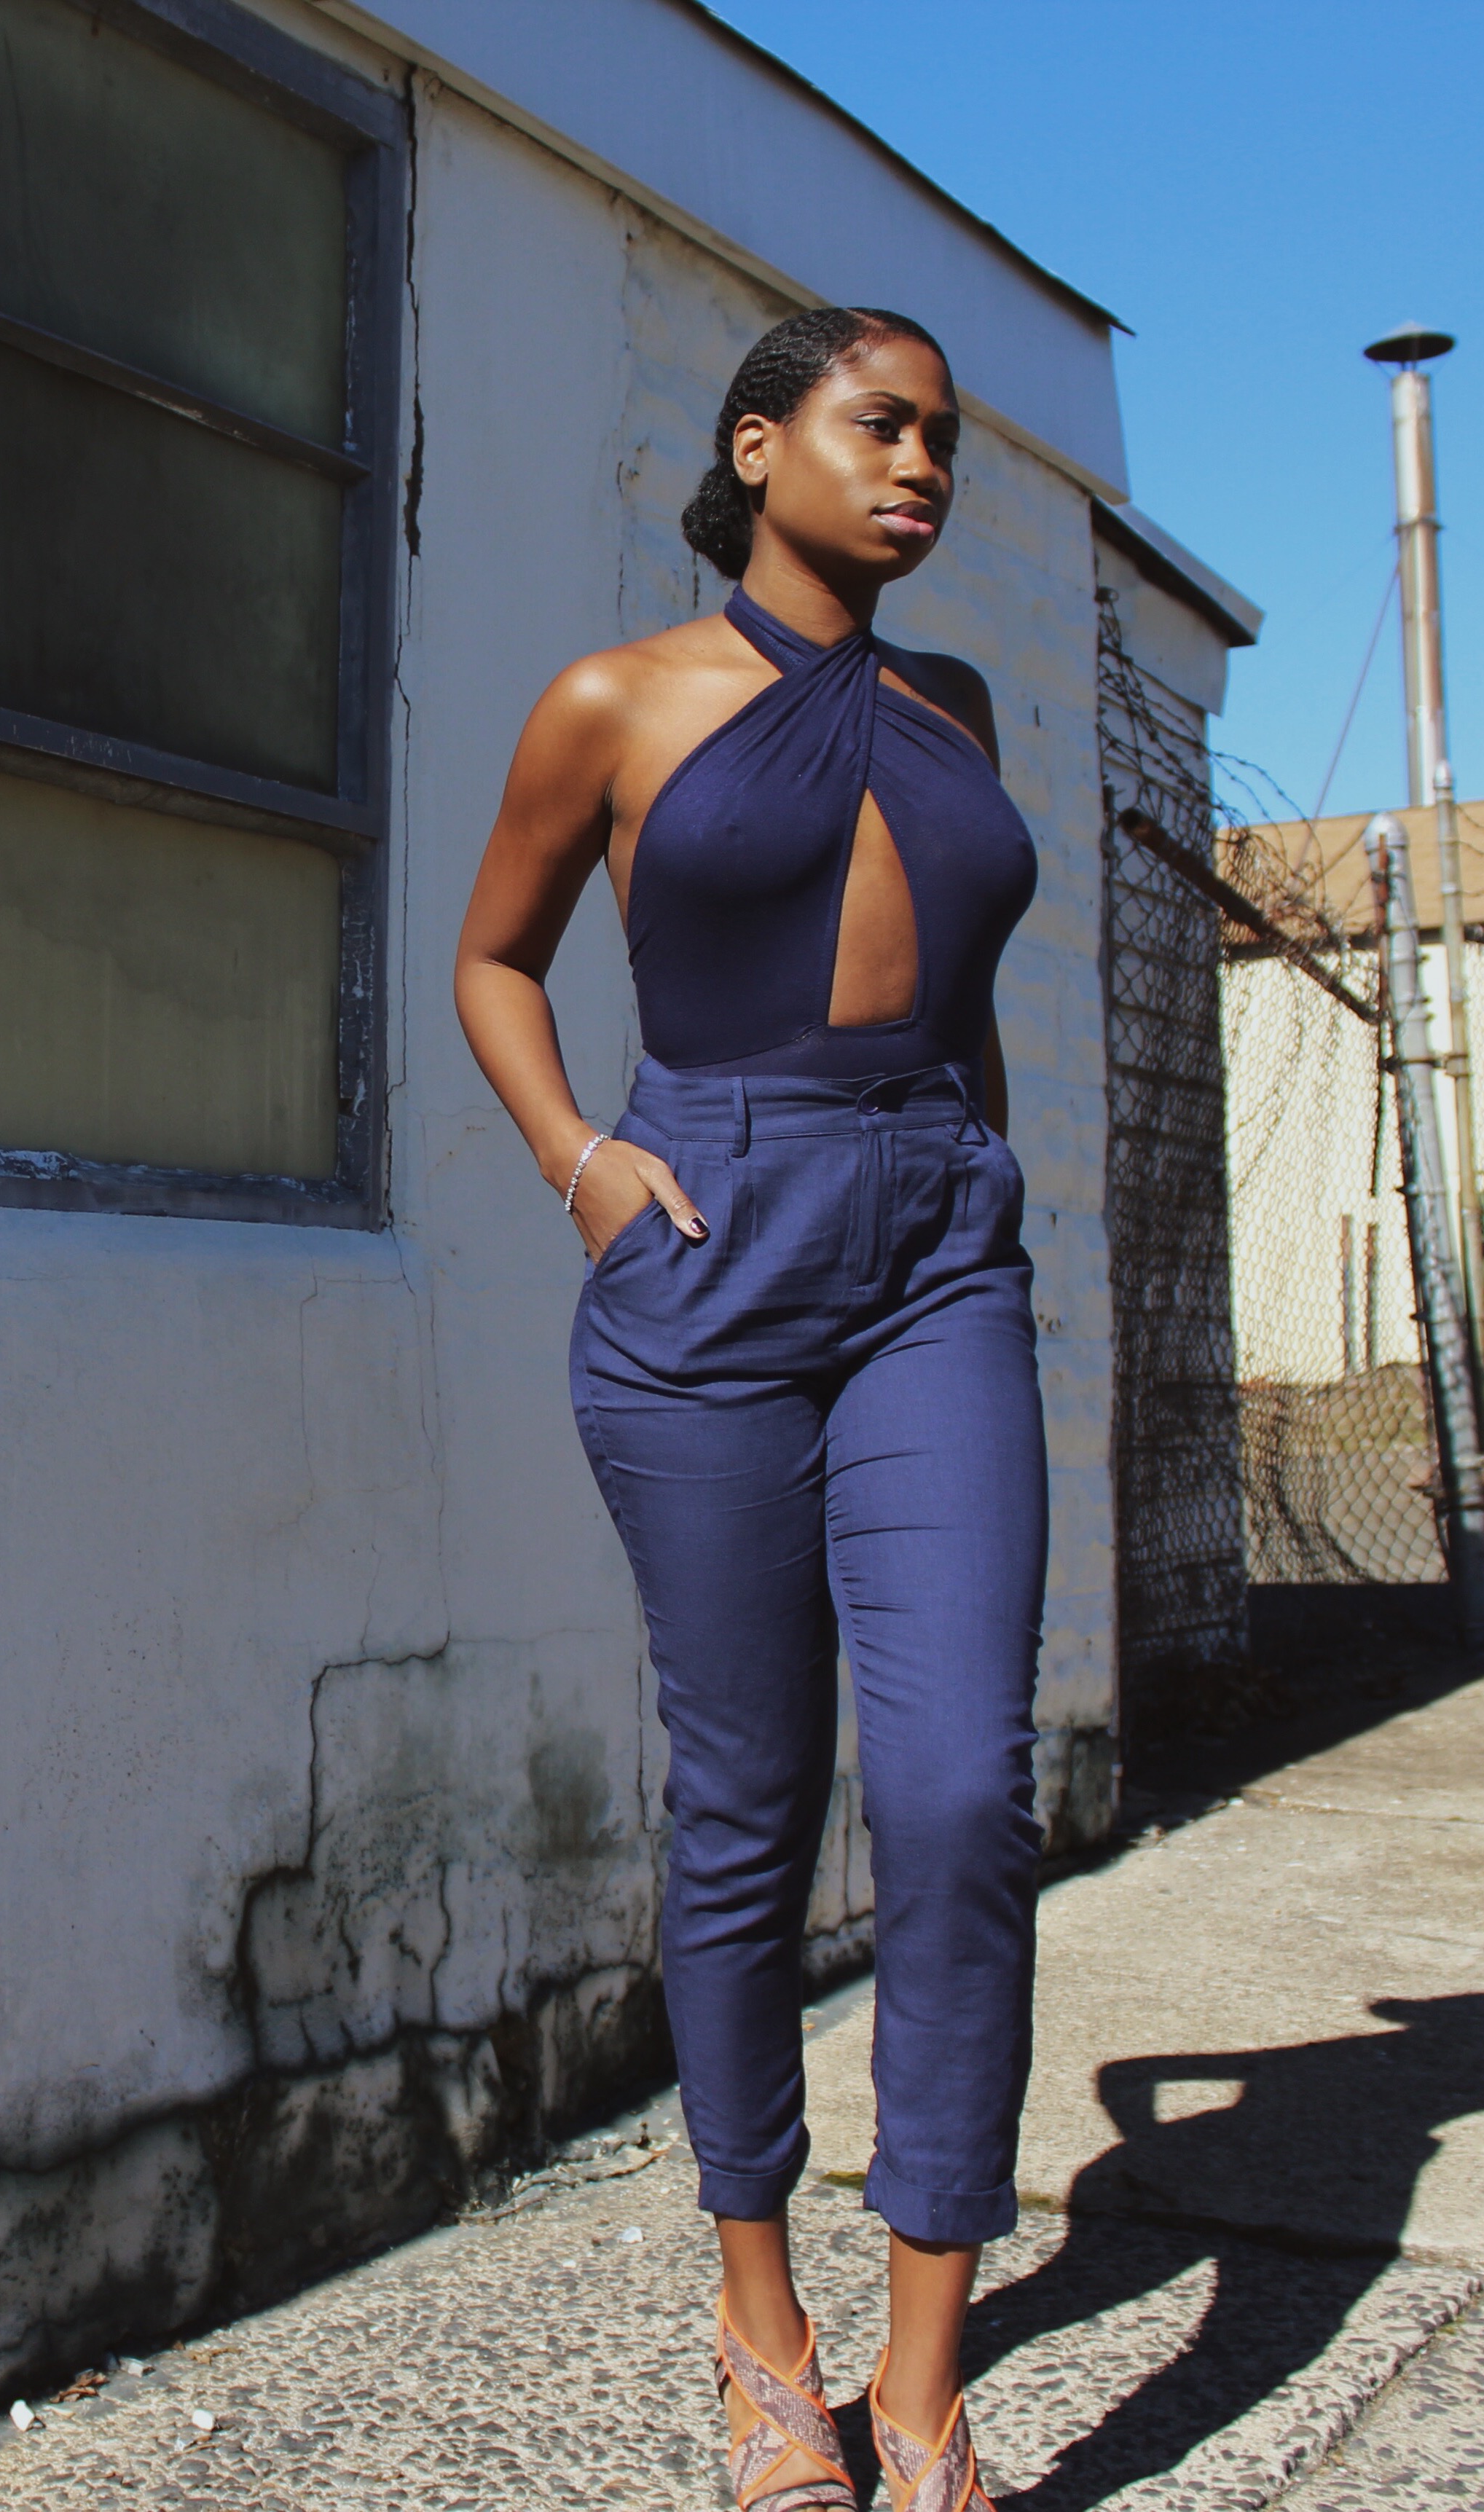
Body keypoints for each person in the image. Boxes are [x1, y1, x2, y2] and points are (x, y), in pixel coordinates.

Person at [455, 306, 1048, 2512]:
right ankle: (764, 2327)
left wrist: (978, 1191)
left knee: (963, 1796)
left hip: (936, 1265)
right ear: (758, 445)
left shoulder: (956, 706)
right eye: (879, 425)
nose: (921, 466)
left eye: (944, 439)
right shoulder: (616, 701)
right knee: (748, 1803)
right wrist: (582, 1167)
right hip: (708, 1250)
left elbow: (965, 1002)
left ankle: (926, 2377)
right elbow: (494, 956)